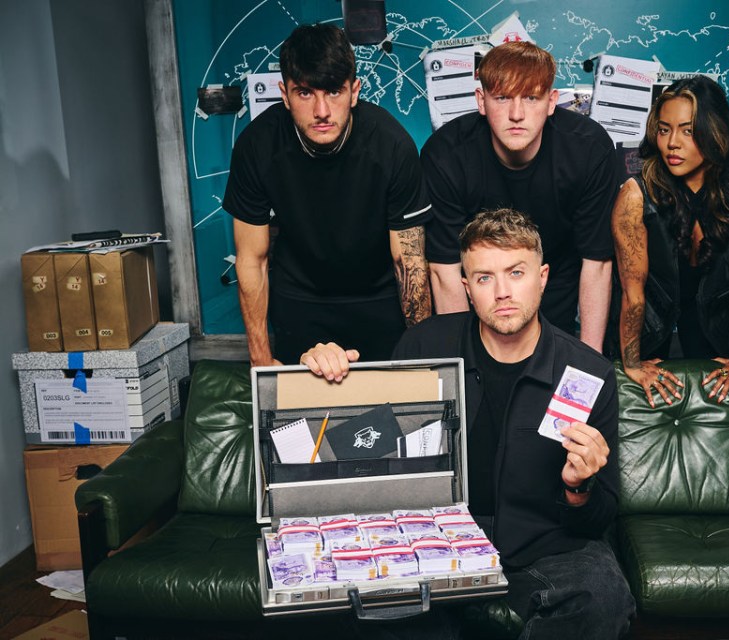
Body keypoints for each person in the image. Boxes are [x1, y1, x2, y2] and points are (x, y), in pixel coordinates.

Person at [301, 209, 635, 639]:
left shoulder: (588, 372)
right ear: (466, 289)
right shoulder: (424, 346)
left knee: (605, 599)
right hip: (432, 535)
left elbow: (597, 519)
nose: (502, 292)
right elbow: (365, 446)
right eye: (483, 278)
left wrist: (578, 487)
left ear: (543, 276)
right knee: (380, 605)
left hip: (544, 544)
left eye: (516, 272)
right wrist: (325, 378)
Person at [223, 23, 432, 366]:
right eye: (305, 93)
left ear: (354, 92)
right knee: (306, 417)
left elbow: (407, 262)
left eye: (334, 91)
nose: (321, 110)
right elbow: (252, 259)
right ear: (284, 94)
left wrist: (424, 361)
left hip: (378, 300)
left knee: (398, 411)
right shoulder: (256, 146)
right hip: (300, 301)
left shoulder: (392, 146)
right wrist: (260, 359)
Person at [421, 41, 618, 353]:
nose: (516, 114)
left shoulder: (589, 150)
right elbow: (445, 271)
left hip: (556, 289)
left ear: (552, 101)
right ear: (481, 101)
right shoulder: (446, 155)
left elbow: (597, 263)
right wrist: (462, 366)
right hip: (480, 295)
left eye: (531, 97)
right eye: (502, 98)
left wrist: (588, 365)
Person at [612, 75, 729, 407]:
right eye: (664, 129)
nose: (672, 143)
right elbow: (633, 292)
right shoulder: (635, 195)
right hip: (653, 346)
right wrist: (631, 364)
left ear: (715, 132)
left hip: (717, 349)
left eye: (688, 131)